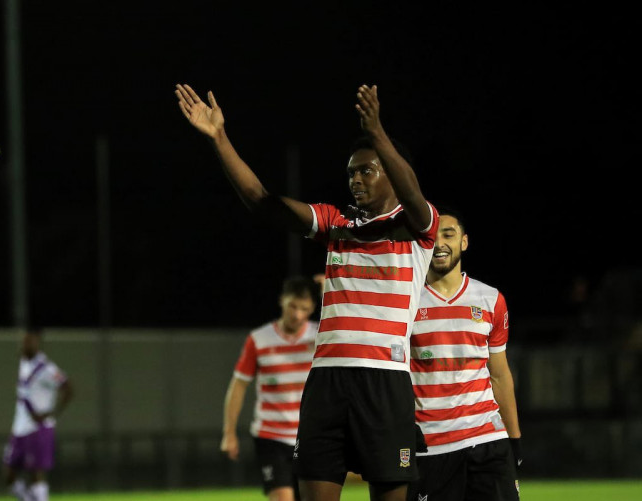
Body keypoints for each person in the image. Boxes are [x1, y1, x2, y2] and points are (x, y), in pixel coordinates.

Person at [176, 83, 438, 501]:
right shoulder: (336, 223)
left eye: (365, 169)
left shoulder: (417, 226)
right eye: (350, 171)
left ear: (390, 168)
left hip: (384, 383)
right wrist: (219, 138)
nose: (355, 178)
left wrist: (377, 133)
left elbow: (412, 191)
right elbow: (262, 201)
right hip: (327, 383)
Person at [407, 207, 521, 501]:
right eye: (433, 236)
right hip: (430, 446)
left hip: (487, 439)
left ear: (464, 242)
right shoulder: (405, 301)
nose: (440, 242)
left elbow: (499, 373)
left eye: (449, 234)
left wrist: (514, 437)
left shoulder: (491, 299)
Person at [221, 276, 320, 501]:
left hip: (309, 436)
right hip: (271, 436)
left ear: (312, 308)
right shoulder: (259, 339)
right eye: (293, 305)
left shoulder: (320, 336)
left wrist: (328, 291)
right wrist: (229, 433)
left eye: (304, 308)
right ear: (281, 301)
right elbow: (238, 385)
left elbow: (348, 327)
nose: (297, 314)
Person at [3, 329, 73, 501]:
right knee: (8, 475)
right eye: (24, 341)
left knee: (36, 472)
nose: (26, 344)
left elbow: (68, 388)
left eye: (30, 341)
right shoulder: (24, 364)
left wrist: (52, 413)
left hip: (38, 428)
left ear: (37, 343)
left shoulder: (46, 368)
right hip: (19, 428)